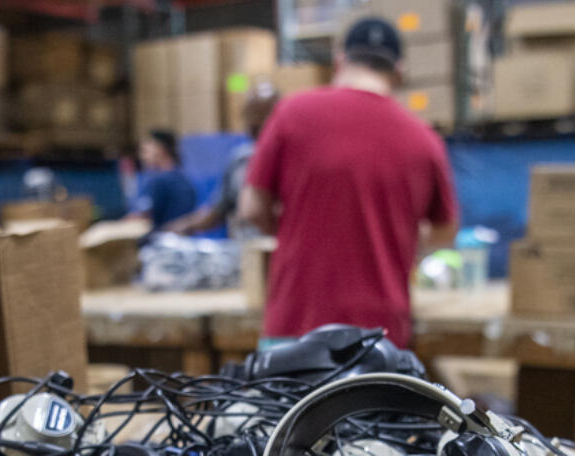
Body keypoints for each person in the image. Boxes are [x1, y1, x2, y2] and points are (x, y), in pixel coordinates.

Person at [238, 17, 458, 349]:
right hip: (379, 339)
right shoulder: (425, 140)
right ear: (399, 71)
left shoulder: (292, 113)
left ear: (339, 60)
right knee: (370, 403)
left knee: (289, 403)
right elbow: (445, 230)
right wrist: (395, 240)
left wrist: (297, 232)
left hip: (295, 326)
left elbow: (252, 207)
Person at [165, 82, 280, 239]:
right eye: (252, 120)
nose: (257, 128)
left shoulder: (298, 160)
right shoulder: (241, 160)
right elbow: (218, 210)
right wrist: (185, 225)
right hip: (249, 252)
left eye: (264, 118)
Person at [128, 129, 198, 234]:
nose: (142, 157)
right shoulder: (184, 181)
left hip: (160, 244)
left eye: (145, 151)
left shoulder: (159, 181)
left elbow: (141, 216)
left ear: (160, 149)